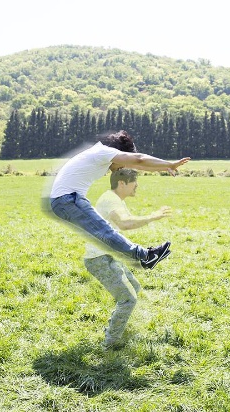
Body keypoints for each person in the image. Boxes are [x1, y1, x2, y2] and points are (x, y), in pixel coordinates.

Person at [48, 130, 190, 269]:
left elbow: (136, 164)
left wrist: (165, 167)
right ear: (118, 153)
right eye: (122, 163)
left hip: (66, 199)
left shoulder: (101, 154)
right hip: (67, 199)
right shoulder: (103, 152)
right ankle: (146, 256)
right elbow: (139, 159)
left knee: (104, 230)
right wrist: (170, 164)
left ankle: (146, 256)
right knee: (105, 231)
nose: (122, 168)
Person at [84, 168, 171, 349]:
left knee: (134, 288)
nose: (137, 185)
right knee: (128, 299)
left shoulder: (115, 200)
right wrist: (152, 216)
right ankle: (110, 343)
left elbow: (122, 226)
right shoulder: (110, 200)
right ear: (122, 183)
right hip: (99, 259)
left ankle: (114, 327)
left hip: (109, 256)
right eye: (134, 181)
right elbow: (125, 223)